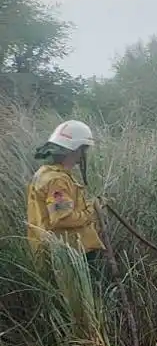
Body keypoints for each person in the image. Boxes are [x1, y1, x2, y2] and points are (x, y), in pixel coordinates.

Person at [25, 120, 107, 283]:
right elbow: (63, 218)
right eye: (84, 149)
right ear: (76, 150)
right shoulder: (57, 181)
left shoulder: (46, 173)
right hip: (69, 255)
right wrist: (92, 211)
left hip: (61, 251)